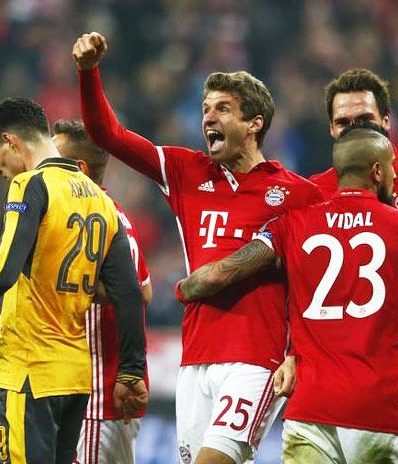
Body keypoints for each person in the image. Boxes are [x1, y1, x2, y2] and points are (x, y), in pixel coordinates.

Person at [177, 125, 398, 463]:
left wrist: (185, 288)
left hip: (311, 413)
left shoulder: (292, 224)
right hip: (383, 412)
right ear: (377, 172)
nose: (395, 174)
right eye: (391, 167)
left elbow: (219, 274)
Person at [73, 32, 323, 464]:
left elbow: (314, 285)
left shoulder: (297, 194)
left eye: (223, 109)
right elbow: (106, 134)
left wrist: (299, 355)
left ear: (254, 123)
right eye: (206, 109)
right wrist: (88, 71)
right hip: (196, 359)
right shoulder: (187, 171)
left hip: (256, 359)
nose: (208, 117)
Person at [0, 98, 147, 464]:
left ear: (11, 141)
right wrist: (131, 370)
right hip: (75, 378)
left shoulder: (30, 185)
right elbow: (129, 293)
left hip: (29, 372)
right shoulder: (99, 199)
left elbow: (3, 271)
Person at [309, 69, 398, 411]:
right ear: (331, 129)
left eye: (366, 118)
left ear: (386, 120)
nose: (355, 128)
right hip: (345, 368)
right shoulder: (311, 194)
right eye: (344, 121)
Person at [52, 119, 152, 464]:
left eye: (54, 157)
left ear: (79, 169)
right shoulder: (83, 216)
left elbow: (139, 294)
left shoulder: (107, 219)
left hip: (99, 394)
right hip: (78, 391)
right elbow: (147, 287)